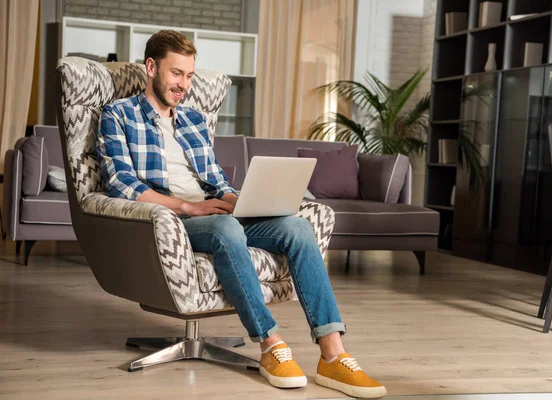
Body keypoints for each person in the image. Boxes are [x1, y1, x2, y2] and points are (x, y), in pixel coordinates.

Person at [97, 30, 386, 399]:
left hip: (216, 211)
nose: (183, 85)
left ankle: (333, 354)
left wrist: (242, 200)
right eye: (175, 74)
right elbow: (120, 183)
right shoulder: (119, 115)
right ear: (152, 67)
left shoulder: (193, 122)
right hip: (175, 220)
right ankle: (271, 345)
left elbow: (216, 180)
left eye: (188, 76)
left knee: (296, 227)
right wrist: (189, 207)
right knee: (224, 228)